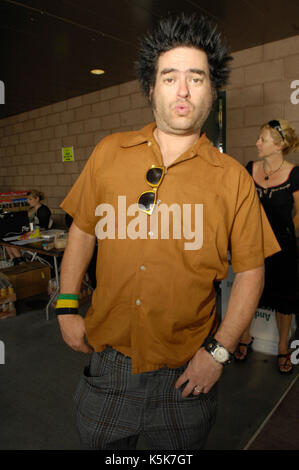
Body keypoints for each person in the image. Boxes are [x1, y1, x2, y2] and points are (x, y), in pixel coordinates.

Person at [56, 13, 280, 450]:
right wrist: (66, 305)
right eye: (169, 77)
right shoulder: (108, 152)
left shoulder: (234, 179)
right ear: (151, 87)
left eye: (196, 79)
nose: (182, 90)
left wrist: (218, 353)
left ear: (212, 92)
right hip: (108, 369)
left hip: (186, 377)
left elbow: (252, 272)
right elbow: (83, 229)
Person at [234, 120, 299, 374]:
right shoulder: (249, 169)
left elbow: (298, 217)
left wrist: (283, 235)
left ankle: (282, 347)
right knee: (247, 294)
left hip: (283, 249)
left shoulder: (294, 174)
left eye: (263, 139)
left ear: (280, 144)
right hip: (252, 245)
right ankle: (244, 337)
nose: (257, 143)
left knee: (284, 300)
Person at [6, 189, 52, 265]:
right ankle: (13, 259)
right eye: (27, 199)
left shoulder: (44, 210)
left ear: (37, 198)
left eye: (30, 199)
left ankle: (21, 261)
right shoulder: (32, 209)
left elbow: (43, 227)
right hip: (32, 232)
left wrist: (29, 232)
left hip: (41, 235)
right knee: (7, 238)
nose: (28, 201)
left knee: (11, 242)